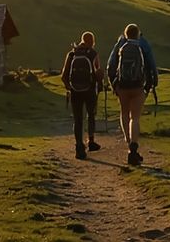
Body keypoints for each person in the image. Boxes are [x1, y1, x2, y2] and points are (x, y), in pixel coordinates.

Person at [106, 23, 158, 166]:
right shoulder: (143, 45)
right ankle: (133, 149)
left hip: (122, 86)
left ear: (126, 33)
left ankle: (129, 143)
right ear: (138, 33)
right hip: (138, 86)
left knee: (124, 114)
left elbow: (110, 65)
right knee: (134, 118)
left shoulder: (121, 44)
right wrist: (153, 82)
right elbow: (152, 64)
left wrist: (113, 84)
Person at [60, 31, 103, 160]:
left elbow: (64, 76)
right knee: (91, 115)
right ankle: (91, 142)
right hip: (89, 91)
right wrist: (99, 85)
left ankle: (79, 147)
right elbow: (98, 73)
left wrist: (70, 87)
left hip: (75, 91)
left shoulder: (72, 54)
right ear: (92, 42)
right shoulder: (93, 54)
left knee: (78, 119)